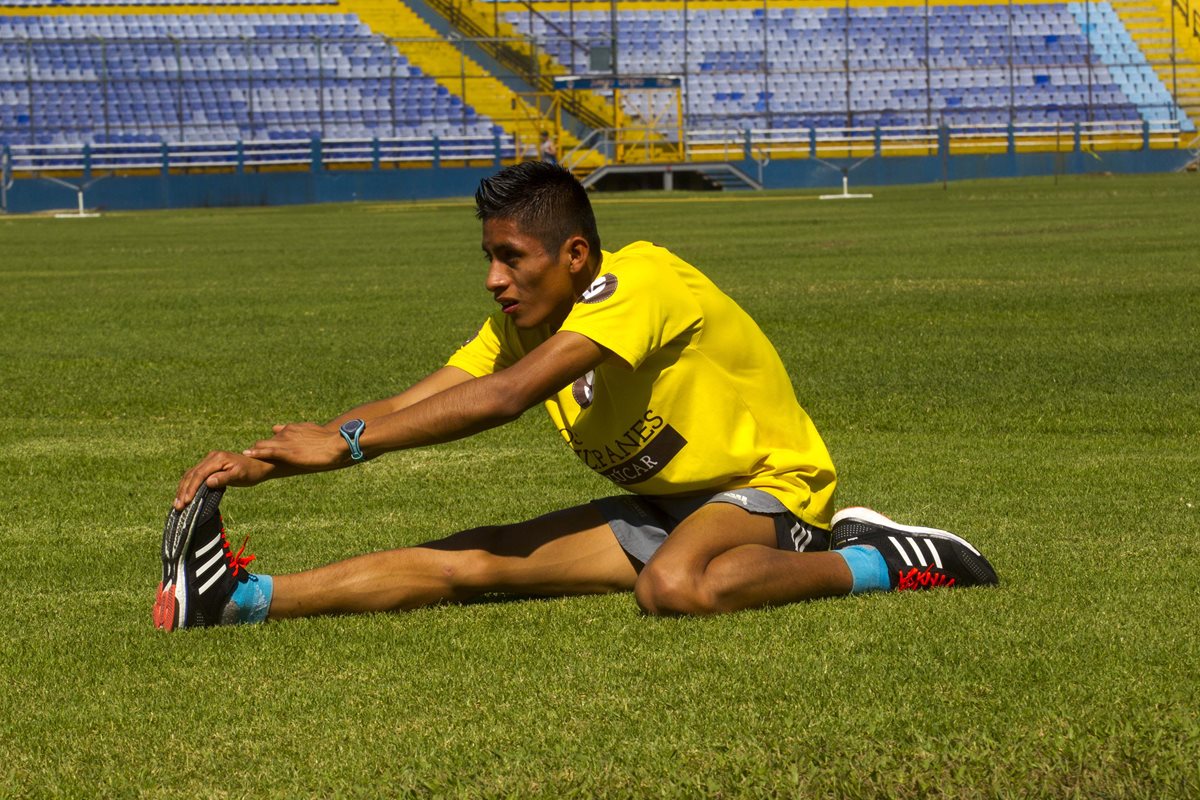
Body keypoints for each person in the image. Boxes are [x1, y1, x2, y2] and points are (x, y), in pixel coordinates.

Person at [153, 162, 998, 631]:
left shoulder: (643, 280)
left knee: (674, 588)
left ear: (576, 256)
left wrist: (344, 447)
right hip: (672, 504)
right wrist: (265, 464)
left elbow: (504, 399)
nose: (493, 278)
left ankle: (876, 559)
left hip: (772, 488)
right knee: (475, 560)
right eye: (487, 256)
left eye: (511, 257)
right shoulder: (521, 326)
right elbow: (427, 397)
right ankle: (240, 601)